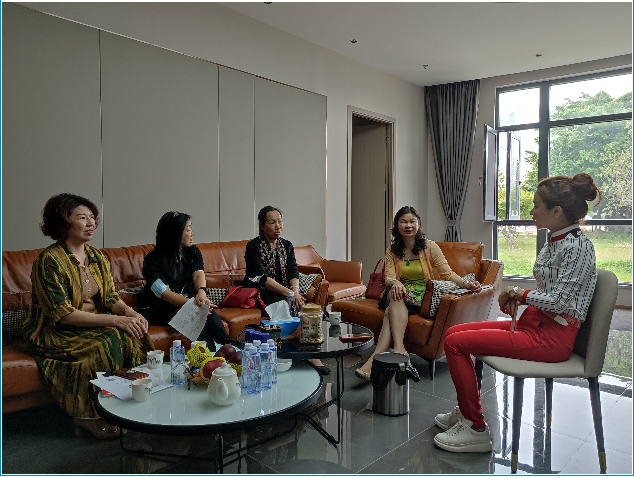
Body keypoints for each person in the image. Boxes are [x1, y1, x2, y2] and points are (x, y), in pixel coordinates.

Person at [434, 173, 601, 453]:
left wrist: (518, 294)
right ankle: (465, 410)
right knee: (452, 333)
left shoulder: (578, 246)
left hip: (551, 338)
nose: (532, 211)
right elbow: (551, 292)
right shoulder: (556, 239)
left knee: (454, 343)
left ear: (557, 211)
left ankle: (475, 428)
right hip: (535, 324)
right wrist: (519, 298)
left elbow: (560, 302)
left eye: (536, 205)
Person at [22, 193, 154, 439]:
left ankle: (127, 403)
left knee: (132, 334)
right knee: (109, 340)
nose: (91, 223)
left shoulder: (97, 257)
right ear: (63, 222)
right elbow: (62, 314)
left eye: (92, 217)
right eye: (82, 217)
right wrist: (117, 320)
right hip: (55, 331)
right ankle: (88, 416)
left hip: (91, 325)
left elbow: (111, 298)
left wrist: (131, 314)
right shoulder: (49, 261)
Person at [355, 206, 481, 381]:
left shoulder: (430, 247)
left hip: (421, 295)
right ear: (397, 225)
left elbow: (447, 273)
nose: (408, 225)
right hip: (399, 290)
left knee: (391, 309)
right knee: (396, 293)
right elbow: (389, 277)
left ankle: (375, 361)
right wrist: (396, 283)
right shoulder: (392, 249)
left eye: (412, 221)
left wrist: (466, 284)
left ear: (418, 224)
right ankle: (399, 349)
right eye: (403, 222)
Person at [244, 206, 329, 375]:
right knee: (284, 306)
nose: (278, 226)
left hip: (287, 291)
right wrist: (290, 294)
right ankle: (288, 354)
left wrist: (295, 292)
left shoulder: (287, 245)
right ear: (262, 225)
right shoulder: (253, 246)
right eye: (272, 222)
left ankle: (310, 354)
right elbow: (263, 278)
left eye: (280, 221)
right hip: (264, 292)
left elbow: (293, 271)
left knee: (307, 310)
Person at [140, 211, 239, 351]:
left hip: (187, 304)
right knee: (198, 311)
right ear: (175, 233)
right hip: (161, 309)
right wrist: (193, 304)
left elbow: (198, 275)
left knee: (203, 309)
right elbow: (164, 293)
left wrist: (202, 294)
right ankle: (215, 351)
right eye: (188, 230)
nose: (192, 233)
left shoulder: (192, 252)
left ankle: (226, 346)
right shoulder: (152, 260)